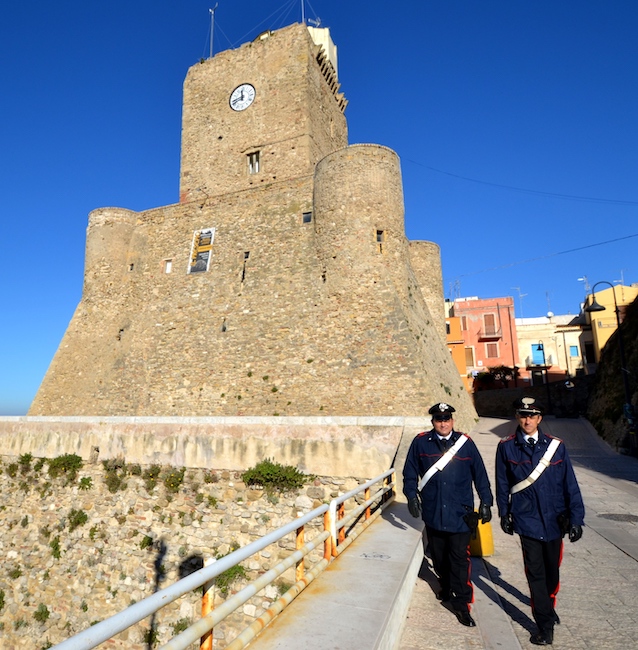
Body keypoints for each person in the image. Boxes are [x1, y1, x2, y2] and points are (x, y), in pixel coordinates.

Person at [495, 396, 585, 646]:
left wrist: (577, 518)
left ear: (539, 418)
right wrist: (505, 513)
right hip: (527, 520)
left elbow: (570, 484)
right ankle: (544, 625)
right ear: (517, 416)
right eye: (523, 415)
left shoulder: (556, 446)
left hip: (556, 520)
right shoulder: (506, 447)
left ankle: (548, 604)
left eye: (532, 415)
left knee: (551, 573)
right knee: (535, 575)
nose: (527, 420)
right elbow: (502, 483)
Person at [403, 402, 493, 627]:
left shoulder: (466, 444)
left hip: (460, 515)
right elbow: (410, 473)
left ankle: (462, 605)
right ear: (433, 422)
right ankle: (445, 585)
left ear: (453, 420)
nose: (443, 423)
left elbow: (480, 474)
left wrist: (486, 502)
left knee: (460, 560)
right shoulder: (421, 442)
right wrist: (412, 497)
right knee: (440, 559)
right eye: (439, 419)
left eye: (447, 419)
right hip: (433, 513)